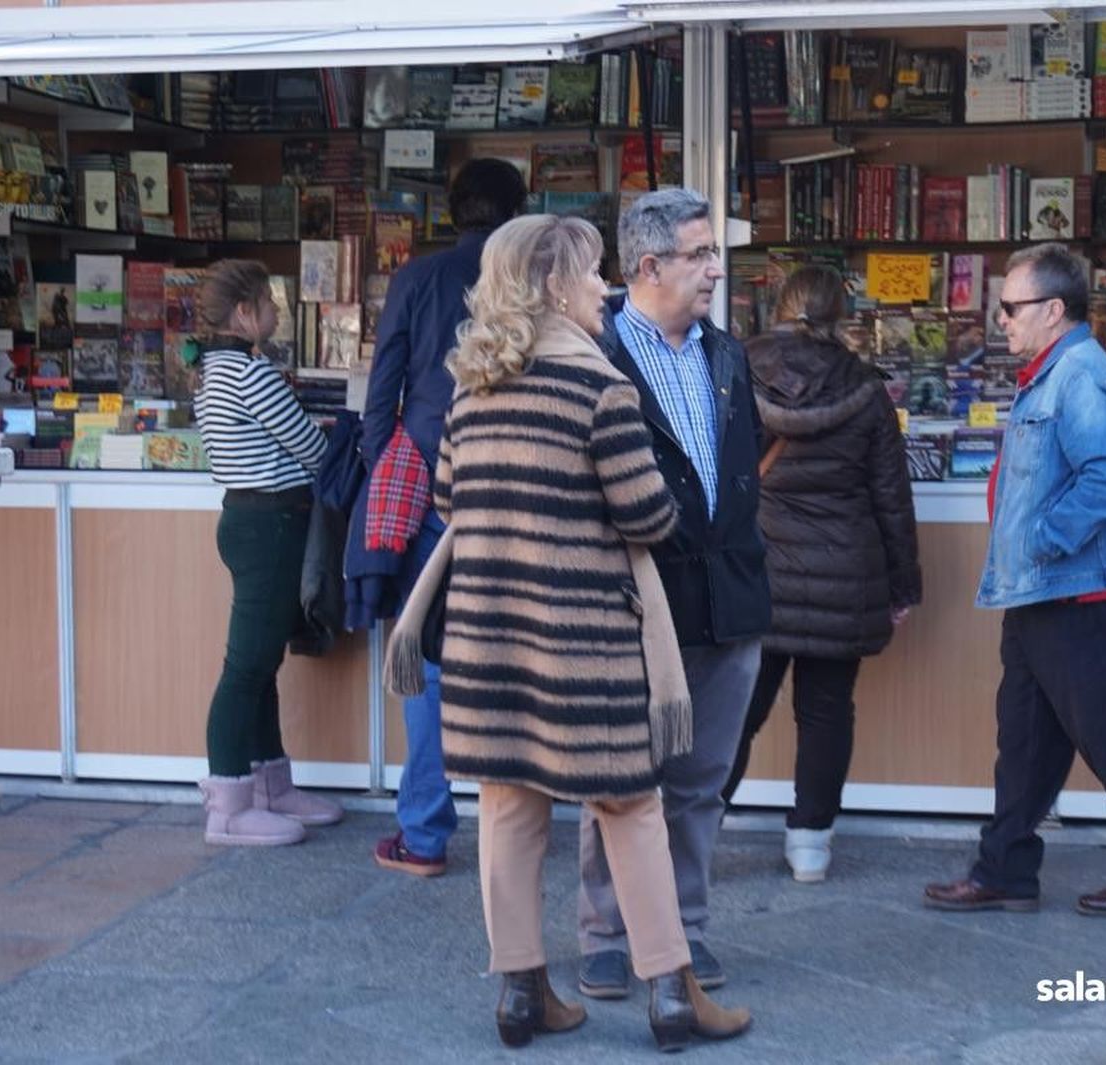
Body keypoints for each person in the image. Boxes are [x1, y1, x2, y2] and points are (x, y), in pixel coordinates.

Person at [436, 214, 750, 1051]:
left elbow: (448, 503)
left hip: (490, 639)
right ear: (552, 287)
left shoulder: (473, 390)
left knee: (507, 808)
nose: (602, 289)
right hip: (585, 641)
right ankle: (672, 993)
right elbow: (648, 514)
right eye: (588, 274)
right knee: (631, 805)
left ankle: (521, 991)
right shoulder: (598, 389)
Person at [923, 243, 1106, 917]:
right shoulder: (1048, 372)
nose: (1001, 320)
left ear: (1053, 309)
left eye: (1011, 307)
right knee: (1026, 741)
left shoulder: (1077, 375)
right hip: (1040, 591)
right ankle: (1005, 868)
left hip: (1075, 591)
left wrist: (1040, 539)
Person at [578, 188, 771, 999]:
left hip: (729, 601)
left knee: (701, 781)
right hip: (633, 606)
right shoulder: (591, 356)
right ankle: (606, 934)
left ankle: (686, 929)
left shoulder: (727, 355)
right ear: (649, 266)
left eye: (714, 253)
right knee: (621, 779)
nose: (716, 271)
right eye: (700, 255)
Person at [720, 266, 922, 882]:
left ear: (779, 307)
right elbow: (891, 496)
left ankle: (696, 830)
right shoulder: (865, 386)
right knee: (828, 708)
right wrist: (903, 583)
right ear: (842, 315)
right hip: (846, 570)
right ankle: (810, 842)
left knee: (736, 709)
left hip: (756, 568)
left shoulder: (735, 368)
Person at [357, 158, 528, 878]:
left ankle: (424, 832)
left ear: (451, 208)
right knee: (515, 646)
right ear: (520, 211)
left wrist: (386, 462)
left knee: (424, 651)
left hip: (430, 477)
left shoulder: (416, 279)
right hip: (516, 481)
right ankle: (517, 823)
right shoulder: (531, 283)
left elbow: (382, 390)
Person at [194, 259, 342, 846]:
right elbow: (311, 448)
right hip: (272, 524)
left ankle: (269, 785)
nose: (278, 312)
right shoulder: (252, 377)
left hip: (247, 520)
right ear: (244, 313)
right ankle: (228, 803)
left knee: (262, 663)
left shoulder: (210, 372)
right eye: (270, 302)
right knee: (246, 667)